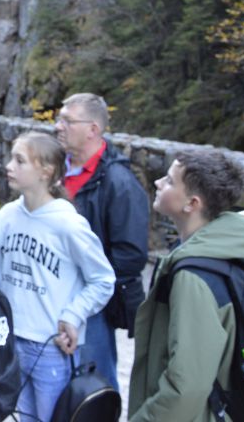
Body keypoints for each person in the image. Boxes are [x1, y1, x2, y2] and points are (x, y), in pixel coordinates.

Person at [128, 151, 244, 421]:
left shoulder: (193, 276)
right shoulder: (237, 243)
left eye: (169, 181)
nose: (157, 183)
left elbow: (187, 386)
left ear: (192, 203)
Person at [0, 132, 115, 422]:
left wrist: (73, 314)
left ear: (45, 171)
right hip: (11, 340)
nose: (9, 166)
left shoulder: (68, 224)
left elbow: (102, 280)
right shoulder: (7, 215)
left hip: (50, 347)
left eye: (20, 161)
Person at [54, 93, 148, 390]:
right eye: (59, 119)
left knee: (93, 387)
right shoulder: (53, 168)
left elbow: (131, 255)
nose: (58, 126)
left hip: (90, 306)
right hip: (50, 294)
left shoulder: (119, 182)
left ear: (92, 129)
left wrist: (89, 290)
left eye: (67, 121)